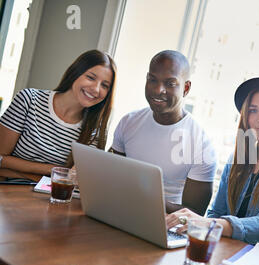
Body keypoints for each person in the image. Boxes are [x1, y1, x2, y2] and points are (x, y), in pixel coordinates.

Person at [166, 77, 259, 252]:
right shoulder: (239, 160)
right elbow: (216, 213)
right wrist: (200, 228)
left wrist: (207, 223)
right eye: (253, 110)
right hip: (224, 253)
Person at [110, 50, 217, 215]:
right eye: (152, 80)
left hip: (165, 224)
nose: (158, 89)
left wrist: (146, 200)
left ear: (186, 88)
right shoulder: (128, 122)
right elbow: (110, 174)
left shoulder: (200, 144)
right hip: (118, 211)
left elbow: (194, 214)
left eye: (170, 83)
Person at [0, 49, 116, 181]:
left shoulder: (95, 130)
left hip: (54, 199)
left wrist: (15, 171)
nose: (96, 89)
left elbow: (74, 181)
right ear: (75, 73)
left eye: (105, 85)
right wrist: (53, 170)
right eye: (90, 77)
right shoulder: (28, 100)